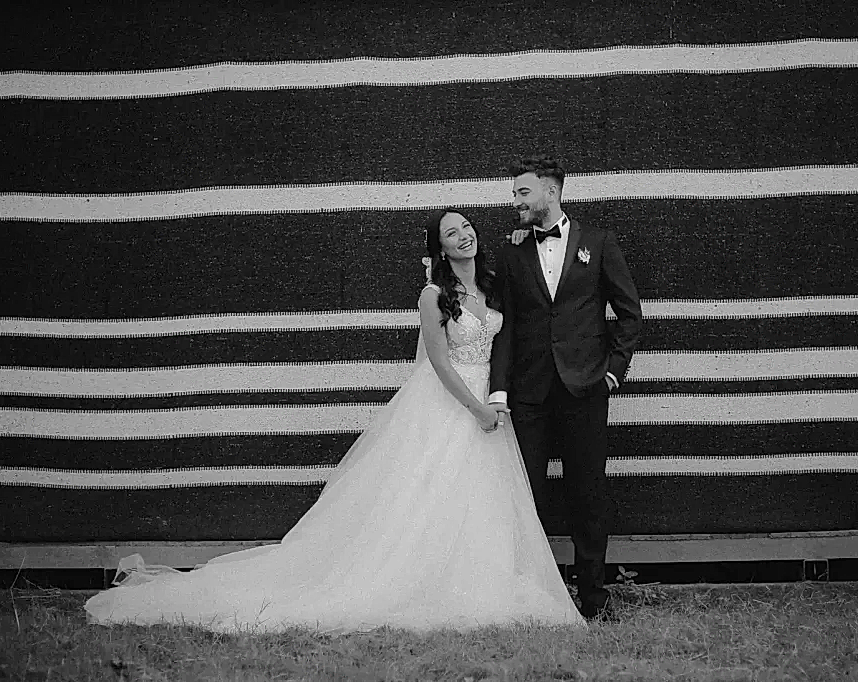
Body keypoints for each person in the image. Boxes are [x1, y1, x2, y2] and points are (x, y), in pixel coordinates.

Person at [83, 208, 585, 633]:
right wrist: (476, 409)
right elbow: (437, 362)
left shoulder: (492, 286)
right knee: (427, 496)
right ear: (439, 248)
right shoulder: (433, 296)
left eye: (467, 227)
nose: (464, 235)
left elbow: (506, 336)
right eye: (451, 233)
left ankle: (479, 578)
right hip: (453, 403)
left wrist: (493, 400)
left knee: (481, 496)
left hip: (489, 405)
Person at [489, 155, 643, 621]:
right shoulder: (511, 252)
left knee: (588, 494)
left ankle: (594, 597)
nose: (515, 201)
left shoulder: (599, 243)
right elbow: (505, 327)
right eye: (515, 193)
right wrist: (499, 390)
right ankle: (533, 600)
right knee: (526, 495)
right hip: (529, 393)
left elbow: (629, 313)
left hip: (585, 389)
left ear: (551, 192)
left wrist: (613, 371)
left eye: (523, 192)